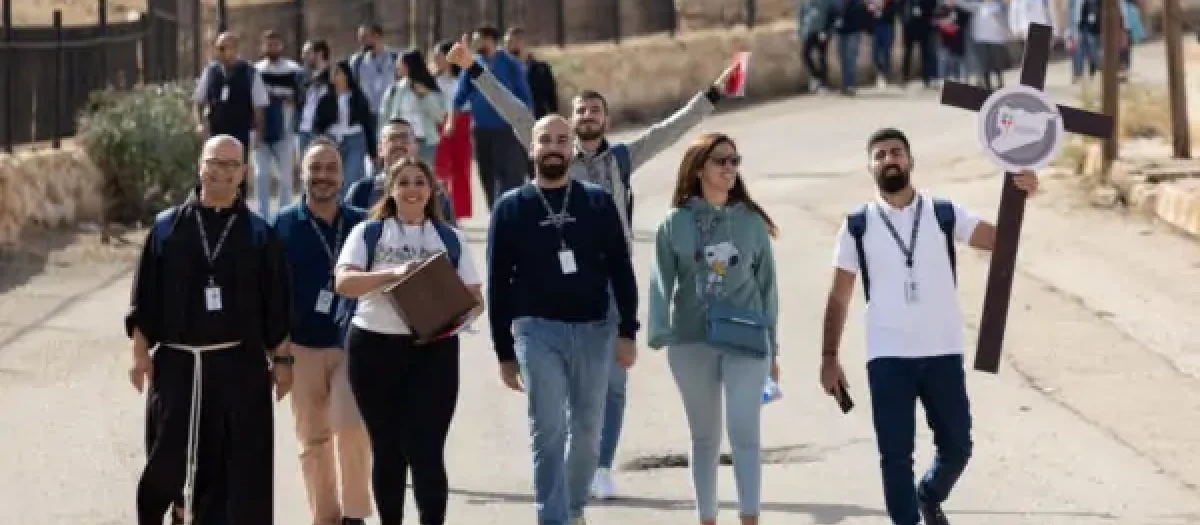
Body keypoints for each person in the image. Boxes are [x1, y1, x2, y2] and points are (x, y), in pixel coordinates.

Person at [446, 34, 734, 499]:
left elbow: (674, 128)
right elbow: (510, 107)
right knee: (561, 392)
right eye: (580, 110)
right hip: (551, 294)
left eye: (595, 110)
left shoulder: (622, 159)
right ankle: (566, 466)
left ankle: (599, 464)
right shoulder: (550, 146)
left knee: (613, 386)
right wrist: (472, 67)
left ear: (606, 119)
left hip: (606, 287)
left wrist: (714, 94)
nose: (587, 116)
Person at [819, 128, 1040, 525]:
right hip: (887, 356)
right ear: (870, 167)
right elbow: (838, 296)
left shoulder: (943, 213)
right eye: (881, 155)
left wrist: (1021, 195)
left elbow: (999, 240)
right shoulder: (857, 225)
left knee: (958, 446)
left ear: (910, 161)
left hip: (941, 350)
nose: (890, 160)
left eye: (897, 153)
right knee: (895, 454)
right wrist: (829, 357)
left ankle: (930, 494)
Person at [127, 135, 293, 525]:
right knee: (165, 463)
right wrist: (138, 354)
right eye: (214, 163)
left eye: (231, 166)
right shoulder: (167, 228)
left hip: (238, 367)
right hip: (179, 364)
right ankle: (166, 511)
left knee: (229, 468)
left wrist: (282, 360)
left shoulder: (258, 233)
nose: (221, 173)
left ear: (243, 174)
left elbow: (276, 305)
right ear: (200, 167)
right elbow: (144, 298)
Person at [486, 115, 639, 525]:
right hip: (537, 331)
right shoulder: (510, 208)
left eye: (561, 140)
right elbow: (497, 283)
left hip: (594, 329)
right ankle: (552, 518)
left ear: (571, 150)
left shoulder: (596, 202)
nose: (553, 147)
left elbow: (621, 270)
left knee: (587, 435)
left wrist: (628, 331)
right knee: (548, 429)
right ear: (531, 149)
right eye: (545, 140)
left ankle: (572, 510)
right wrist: (503, 352)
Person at [334, 157, 484, 525]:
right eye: (403, 183)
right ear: (391, 190)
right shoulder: (368, 233)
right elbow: (344, 282)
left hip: (433, 351)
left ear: (431, 190)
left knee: (427, 450)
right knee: (387, 451)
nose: (412, 189)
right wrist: (394, 273)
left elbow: (475, 298)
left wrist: (443, 323)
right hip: (373, 347)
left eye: (420, 182)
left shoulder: (449, 237)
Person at [647, 133, 780, 525]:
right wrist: (661, 331)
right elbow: (660, 282)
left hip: (747, 339)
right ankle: (707, 518)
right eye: (721, 160)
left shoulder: (752, 223)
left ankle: (749, 518)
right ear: (699, 167)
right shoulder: (675, 223)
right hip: (691, 341)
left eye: (734, 161)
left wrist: (775, 348)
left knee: (744, 430)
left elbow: (768, 287)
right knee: (704, 437)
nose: (729, 168)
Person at [271, 139, 373, 525]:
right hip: (302, 347)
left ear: (343, 174)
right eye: (315, 169)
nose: (323, 176)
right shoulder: (282, 225)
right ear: (303, 173)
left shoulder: (363, 223)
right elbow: (272, 294)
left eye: (331, 168)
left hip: (354, 345)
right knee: (313, 440)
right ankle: (325, 517)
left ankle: (354, 514)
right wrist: (278, 353)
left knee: (351, 426)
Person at [451, 25, 534, 210]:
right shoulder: (472, 65)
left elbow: (524, 95)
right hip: (481, 129)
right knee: (486, 174)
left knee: (510, 175)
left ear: (491, 40)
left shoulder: (511, 64)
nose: (477, 43)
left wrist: (528, 125)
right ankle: (495, 213)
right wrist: (452, 121)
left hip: (508, 128)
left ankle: (513, 211)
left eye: (481, 39)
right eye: (475, 39)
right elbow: (460, 95)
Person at [344, 117, 456, 223]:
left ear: (416, 147)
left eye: (404, 138)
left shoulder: (436, 193)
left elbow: (451, 238)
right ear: (380, 150)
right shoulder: (360, 192)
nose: (398, 144)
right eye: (392, 138)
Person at [193, 32, 270, 163]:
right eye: (218, 48)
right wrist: (199, 124)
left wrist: (259, 133)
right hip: (215, 131)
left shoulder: (249, 72)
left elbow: (259, 107)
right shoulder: (210, 71)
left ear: (234, 49)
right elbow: (198, 100)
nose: (220, 52)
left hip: (240, 132)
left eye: (224, 48)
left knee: (237, 170)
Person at [253, 29, 305, 219]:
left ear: (282, 46)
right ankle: (262, 217)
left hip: (285, 131)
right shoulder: (256, 71)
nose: (272, 47)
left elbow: (301, 97)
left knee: (285, 178)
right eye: (268, 44)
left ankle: (284, 217)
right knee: (261, 176)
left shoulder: (293, 70)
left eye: (276, 44)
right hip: (261, 132)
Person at [310, 60, 377, 199]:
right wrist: (317, 144)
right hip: (332, 140)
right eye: (332, 73)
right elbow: (317, 125)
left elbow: (368, 124)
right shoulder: (326, 99)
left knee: (351, 179)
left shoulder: (359, 97)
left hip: (355, 140)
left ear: (346, 75)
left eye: (338, 72)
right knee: (334, 179)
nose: (334, 76)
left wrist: (373, 152)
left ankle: (348, 209)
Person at [379, 48, 447, 165]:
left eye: (400, 63)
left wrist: (426, 96)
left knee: (424, 177)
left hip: (425, 142)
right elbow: (384, 117)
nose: (397, 66)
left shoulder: (430, 87)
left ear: (409, 65)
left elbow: (440, 117)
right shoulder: (394, 90)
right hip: (400, 142)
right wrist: (382, 139)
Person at [431, 40, 474, 219]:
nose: (436, 59)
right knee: (439, 169)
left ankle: (458, 213)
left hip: (462, 123)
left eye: (439, 55)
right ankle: (440, 210)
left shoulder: (464, 78)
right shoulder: (433, 81)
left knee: (460, 169)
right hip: (439, 124)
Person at [349, 23, 397, 146]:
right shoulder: (357, 61)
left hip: (390, 114)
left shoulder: (395, 58)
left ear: (377, 36)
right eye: (360, 38)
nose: (361, 41)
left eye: (364, 37)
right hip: (367, 115)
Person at [503, 26, 561, 119]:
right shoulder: (500, 70)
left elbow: (551, 98)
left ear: (526, 43)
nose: (513, 46)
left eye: (517, 41)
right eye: (509, 42)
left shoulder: (541, 69)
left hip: (537, 120)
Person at [297, 39, 332, 154]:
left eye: (307, 53)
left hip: (323, 129)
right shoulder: (304, 75)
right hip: (304, 128)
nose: (303, 57)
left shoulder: (333, 74)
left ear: (319, 53)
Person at [900, 0, 940, 89]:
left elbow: (933, 5)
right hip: (909, 25)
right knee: (907, 52)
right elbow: (901, 6)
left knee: (925, 52)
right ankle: (904, 78)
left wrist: (930, 19)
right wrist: (904, 20)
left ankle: (926, 78)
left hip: (924, 25)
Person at [798, 0, 835, 93]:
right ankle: (816, 76)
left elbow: (832, 18)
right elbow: (801, 17)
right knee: (805, 54)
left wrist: (826, 32)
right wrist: (801, 31)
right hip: (809, 32)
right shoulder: (805, 3)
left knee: (822, 57)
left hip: (821, 33)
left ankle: (824, 83)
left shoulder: (826, 3)